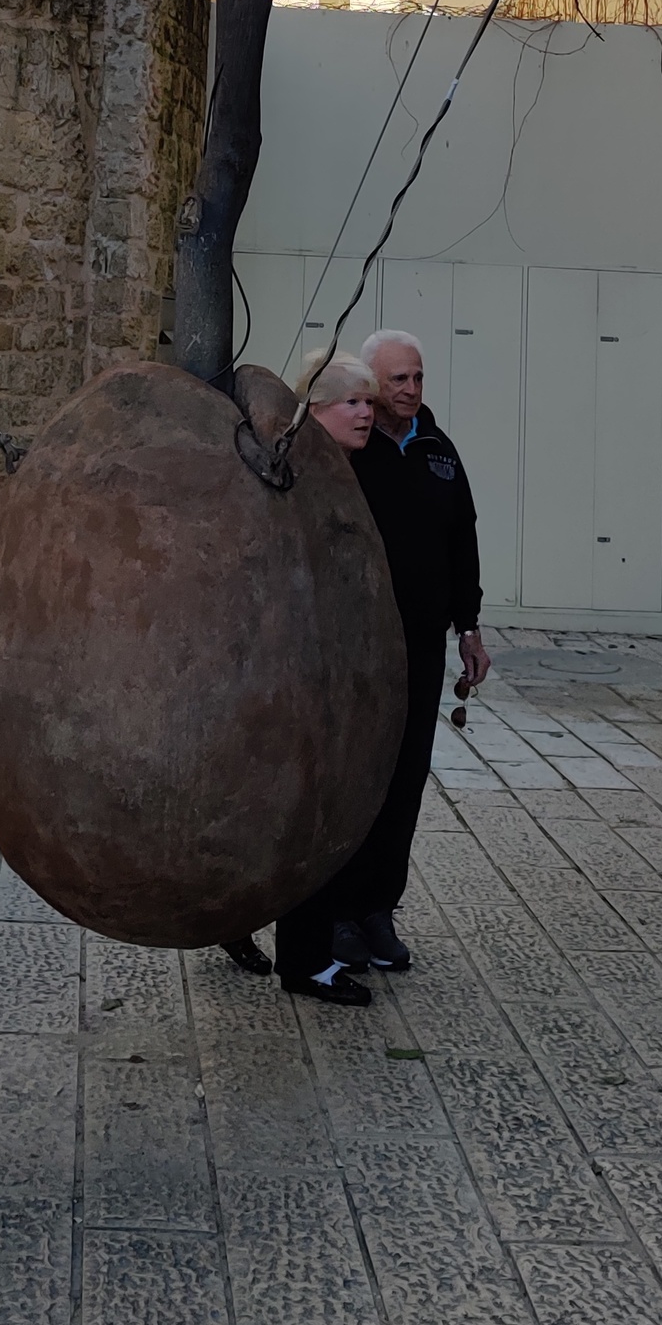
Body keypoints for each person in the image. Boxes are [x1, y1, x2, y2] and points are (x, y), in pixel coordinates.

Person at [329, 328, 489, 978]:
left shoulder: (436, 449)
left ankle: (376, 910)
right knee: (353, 777)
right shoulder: (350, 449)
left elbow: (463, 540)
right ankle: (335, 912)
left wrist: (469, 627)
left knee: (403, 779)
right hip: (358, 649)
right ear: (369, 384)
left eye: (417, 378)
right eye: (398, 379)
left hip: (421, 647)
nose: (410, 390)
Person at [243, 353, 388, 1005]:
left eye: (369, 402)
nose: (366, 413)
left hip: (329, 677)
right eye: (352, 402)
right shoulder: (293, 472)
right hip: (295, 679)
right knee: (304, 817)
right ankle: (303, 960)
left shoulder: (348, 473)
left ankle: (270, 935)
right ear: (316, 409)